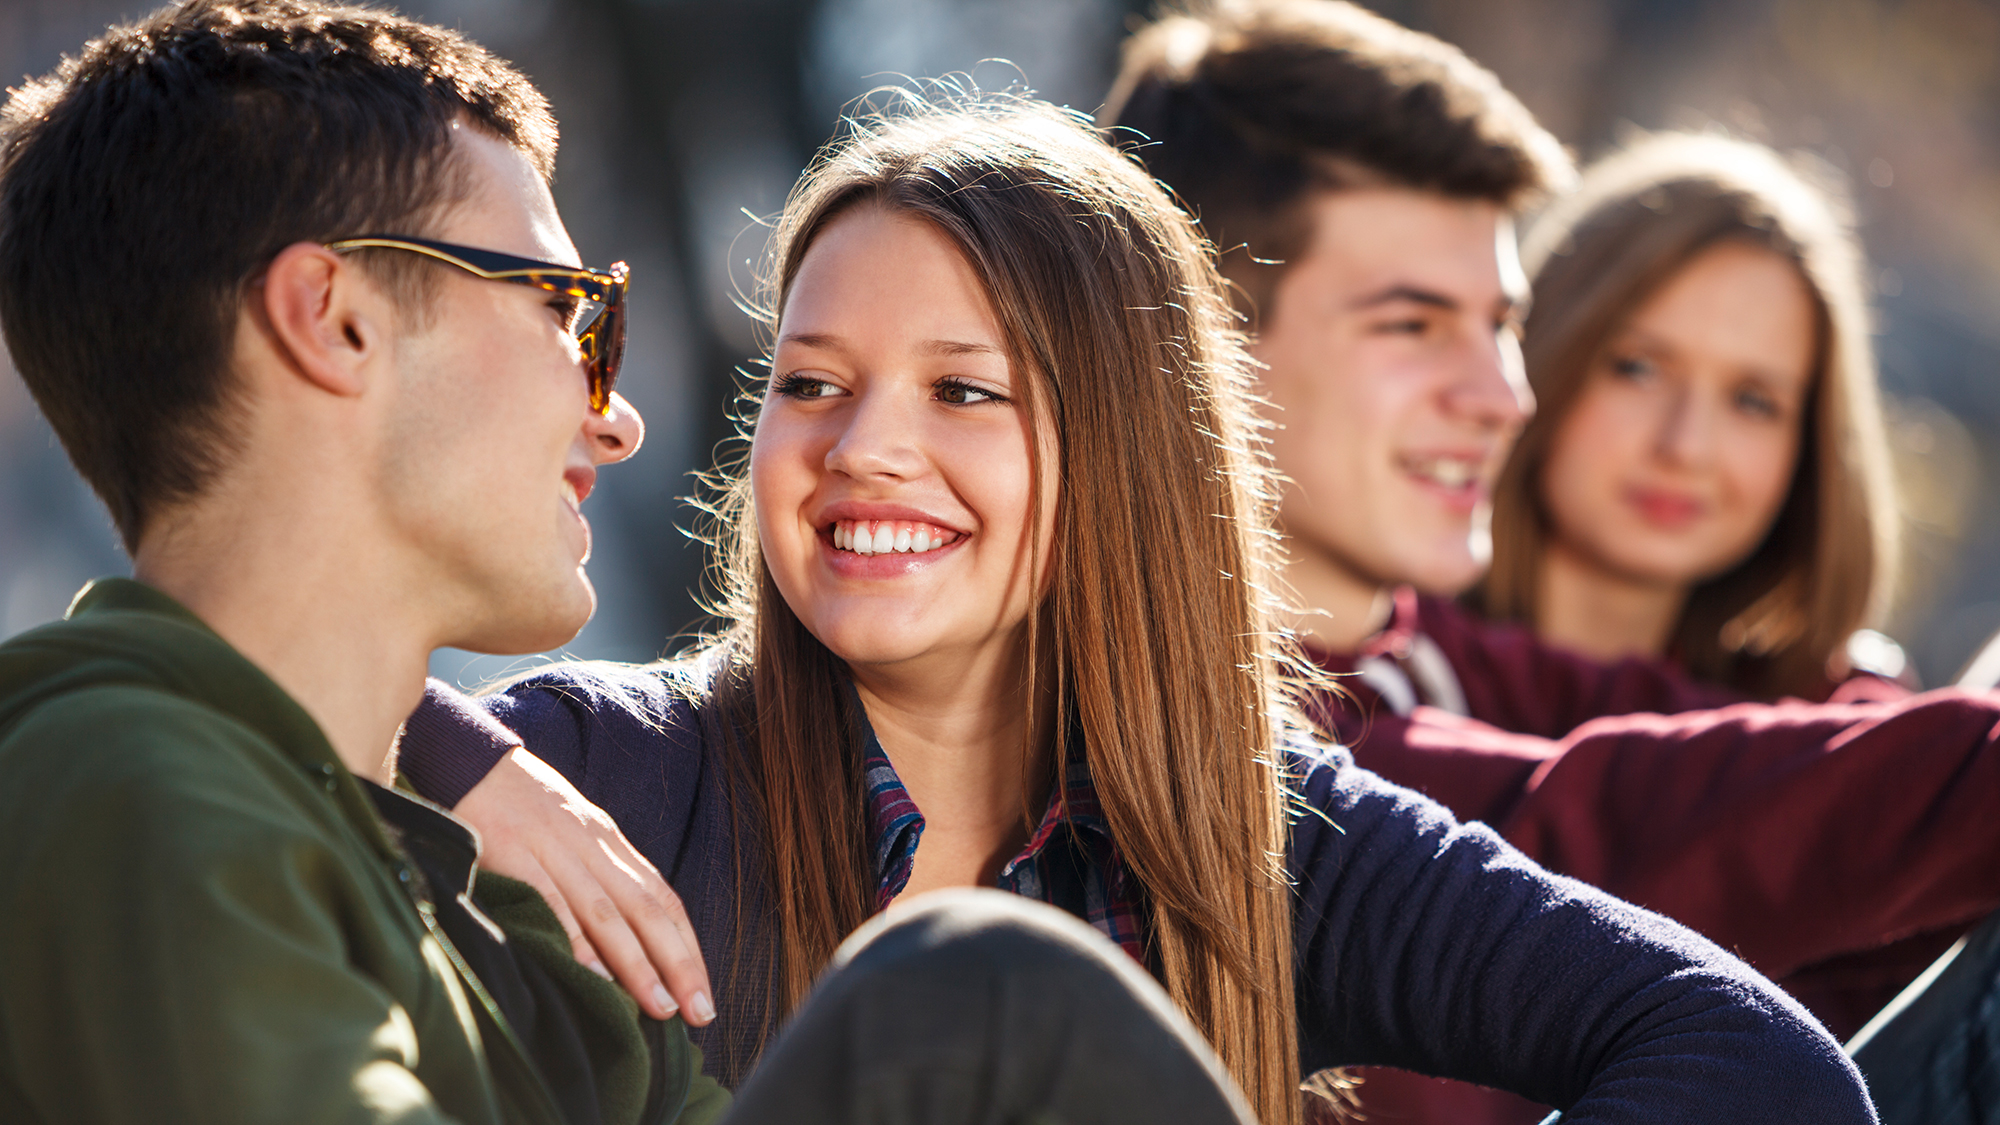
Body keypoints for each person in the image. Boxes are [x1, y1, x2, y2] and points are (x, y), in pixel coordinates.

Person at [392, 92, 1877, 1124]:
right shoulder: (591, 776)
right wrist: (444, 756)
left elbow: (1758, 1064)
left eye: (965, 391)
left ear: (1125, 457)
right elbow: (217, 708)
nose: (864, 449)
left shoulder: (1263, 832)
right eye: (812, 384)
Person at [0, 5, 1262, 1124]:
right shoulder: (122, 779)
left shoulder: (471, 898)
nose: (616, 417)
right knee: (981, 995)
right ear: (337, 322)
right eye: (561, 308)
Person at [1097, 3, 2000, 1121]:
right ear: (1200, 342)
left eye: (1499, 326)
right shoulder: (1179, 715)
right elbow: (1598, 816)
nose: (1501, 395)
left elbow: (1698, 734)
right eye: (1413, 324)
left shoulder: (1439, 653)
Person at [1471, 131, 1906, 703]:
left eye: (1753, 401)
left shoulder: (1842, 728)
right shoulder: (1367, 675)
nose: (1687, 446)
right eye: (1637, 369)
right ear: (1539, 358)